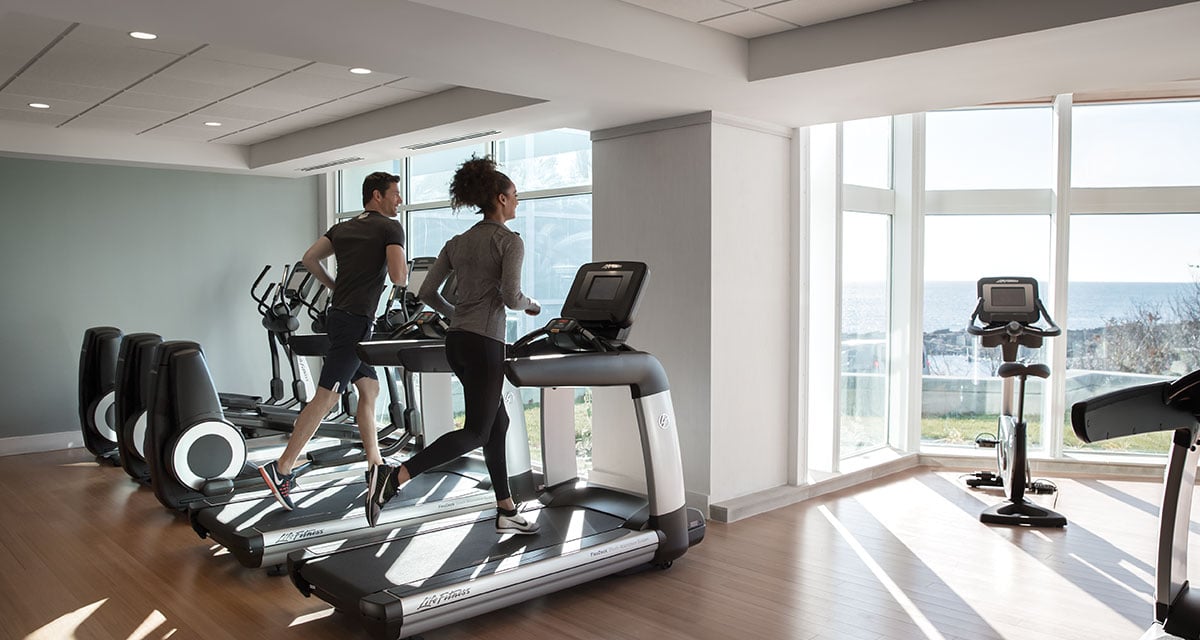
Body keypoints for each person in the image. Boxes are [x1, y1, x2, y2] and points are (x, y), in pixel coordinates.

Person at [365, 156, 541, 534]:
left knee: (498, 422)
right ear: (500, 198)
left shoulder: (457, 242)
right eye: (514, 196)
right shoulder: (509, 242)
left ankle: (505, 507)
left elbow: (427, 291)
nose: (516, 203)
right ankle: (394, 477)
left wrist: (457, 314)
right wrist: (532, 305)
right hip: (485, 342)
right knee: (478, 430)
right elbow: (511, 296)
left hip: (457, 341)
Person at [259, 171, 408, 510]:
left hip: (339, 315)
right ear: (377, 196)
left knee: (369, 389)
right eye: (395, 194)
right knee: (326, 397)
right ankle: (281, 468)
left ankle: (375, 465)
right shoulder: (389, 227)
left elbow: (309, 259)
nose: (399, 200)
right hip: (357, 321)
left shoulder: (342, 228)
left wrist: (334, 286)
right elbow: (399, 276)